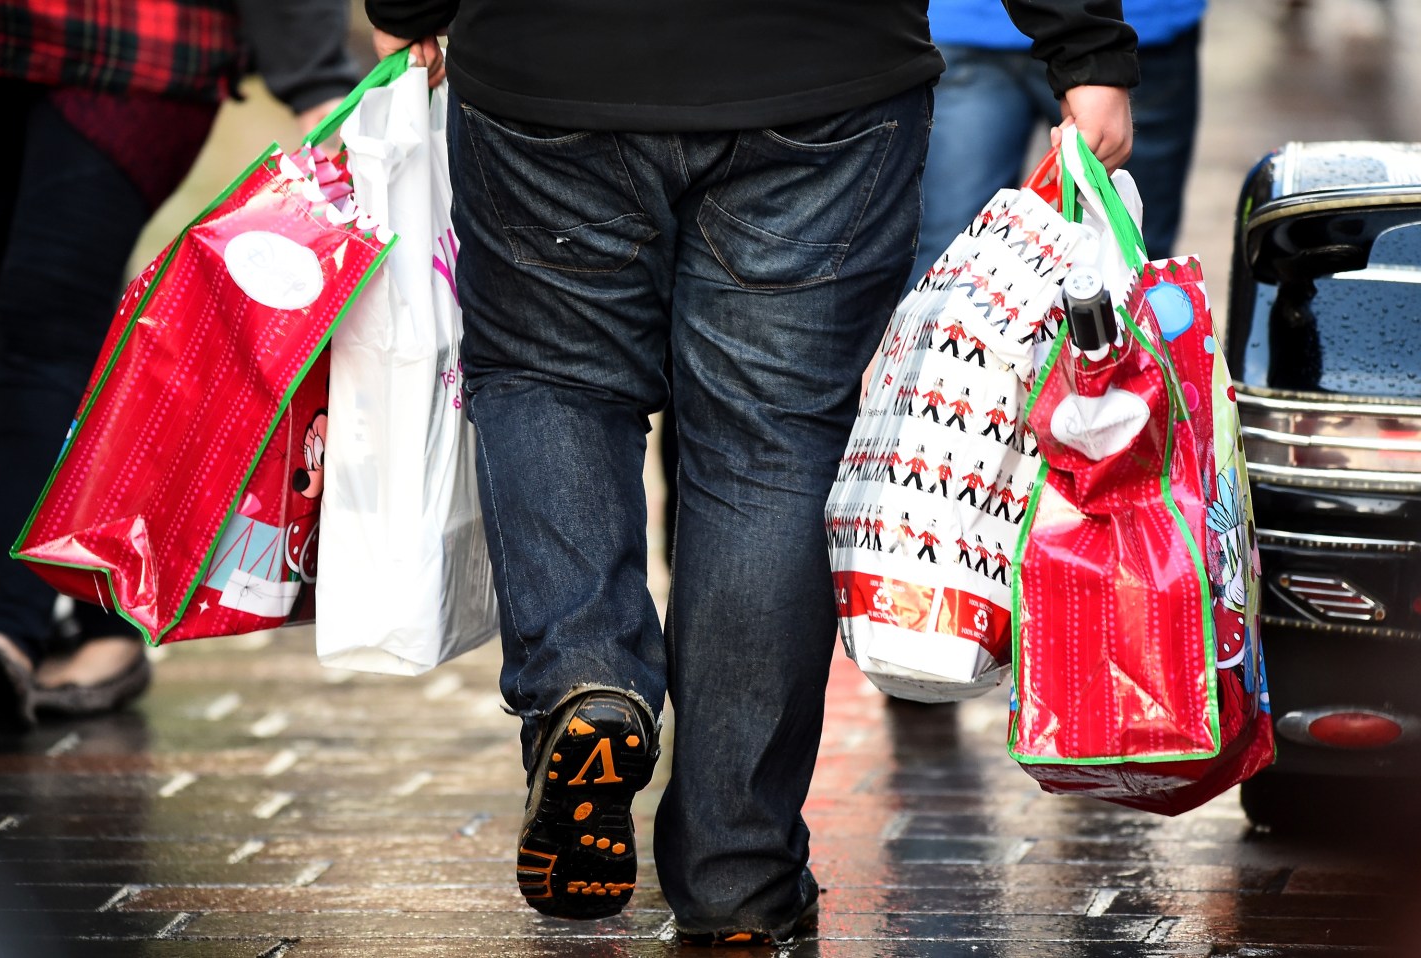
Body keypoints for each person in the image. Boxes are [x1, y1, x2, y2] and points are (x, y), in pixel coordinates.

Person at [365, 0, 1136, 944]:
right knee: (772, 444)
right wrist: (1086, 51)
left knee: (552, 381)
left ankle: (586, 674)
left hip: (551, 63)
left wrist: (406, 8)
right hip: (822, 72)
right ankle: (736, 870)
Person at [0, 0, 359, 735]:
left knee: (46, 314)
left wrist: (316, 77)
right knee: (22, 316)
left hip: (141, 41)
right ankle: (96, 617)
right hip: (3, 37)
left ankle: (9, 632)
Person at [909, 0, 1205, 288]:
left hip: (972, 24)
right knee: (1133, 270)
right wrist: (1093, 52)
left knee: (953, 264)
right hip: (1118, 33)